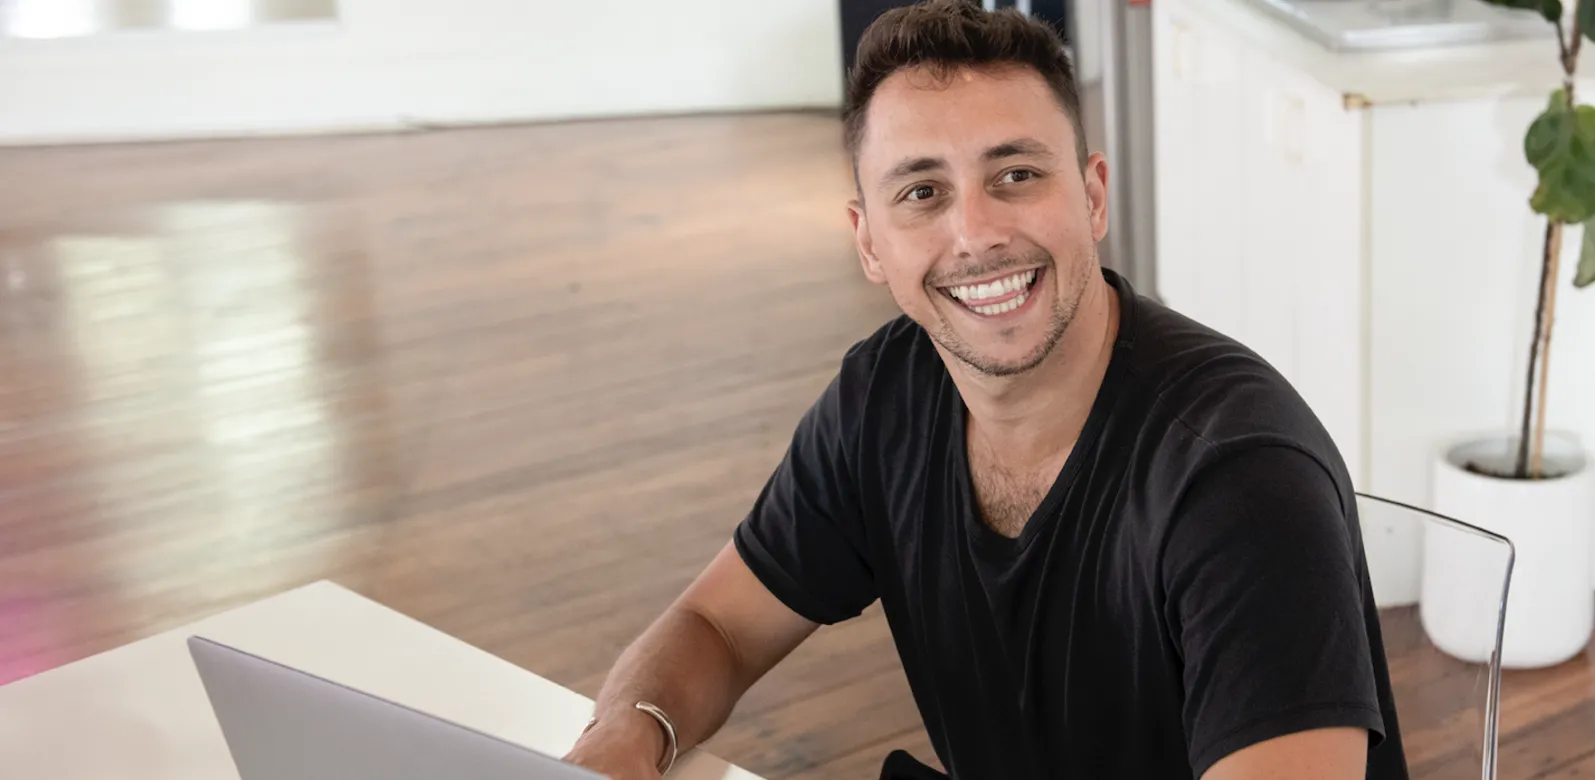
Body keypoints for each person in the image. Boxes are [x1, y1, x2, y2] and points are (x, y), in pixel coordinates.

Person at [563, 2, 1406, 778]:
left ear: (1092, 195)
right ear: (868, 242)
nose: (976, 235)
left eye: (1016, 176)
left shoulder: (1239, 480)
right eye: (922, 193)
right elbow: (716, 628)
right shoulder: (884, 399)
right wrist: (626, 736)